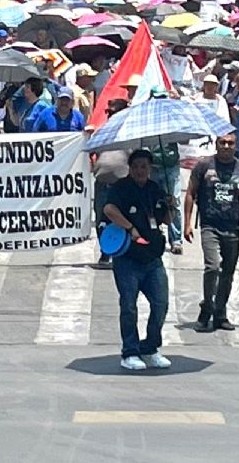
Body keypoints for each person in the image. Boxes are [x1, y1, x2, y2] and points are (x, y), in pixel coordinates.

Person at [183, 133, 239, 333]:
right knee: (213, 267)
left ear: (235, 145)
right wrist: (187, 223)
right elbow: (190, 193)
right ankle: (206, 310)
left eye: (230, 143)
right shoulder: (204, 166)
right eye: (223, 143)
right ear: (216, 144)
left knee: (228, 272)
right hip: (209, 225)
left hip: (233, 227)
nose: (227, 146)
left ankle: (220, 313)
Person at [102, 149, 171, 371]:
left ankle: (150, 348)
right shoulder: (121, 188)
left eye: (145, 167)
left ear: (150, 169)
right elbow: (109, 209)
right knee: (129, 306)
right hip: (128, 259)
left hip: (153, 258)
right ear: (130, 168)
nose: (141, 170)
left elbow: (165, 219)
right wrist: (130, 228)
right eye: (137, 166)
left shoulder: (155, 189)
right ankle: (130, 351)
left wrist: (170, 205)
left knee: (160, 303)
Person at [92, 98, 131, 268]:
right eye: (109, 113)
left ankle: (121, 251)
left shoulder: (132, 134)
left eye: (114, 113)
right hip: (102, 184)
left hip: (122, 186)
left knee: (120, 219)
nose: (111, 116)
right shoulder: (101, 132)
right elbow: (89, 149)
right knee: (101, 218)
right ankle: (105, 251)